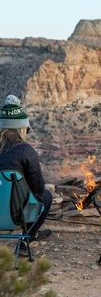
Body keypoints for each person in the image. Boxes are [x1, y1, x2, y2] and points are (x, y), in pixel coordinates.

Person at [0, 95, 52, 256]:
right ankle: (25, 241)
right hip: (15, 213)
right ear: (22, 128)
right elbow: (38, 188)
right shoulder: (25, 150)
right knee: (46, 196)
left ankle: (31, 235)